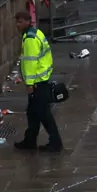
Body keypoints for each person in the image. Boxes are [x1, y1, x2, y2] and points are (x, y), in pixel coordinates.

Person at [14, 11, 62, 152]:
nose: (18, 24)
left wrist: (29, 84)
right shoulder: (36, 33)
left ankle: (55, 142)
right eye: (17, 21)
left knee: (44, 114)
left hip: (37, 82)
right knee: (32, 112)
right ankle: (30, 140)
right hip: (42, 79)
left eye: (21, 21)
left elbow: (30, 63)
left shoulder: (30, 39)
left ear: (28, 22)